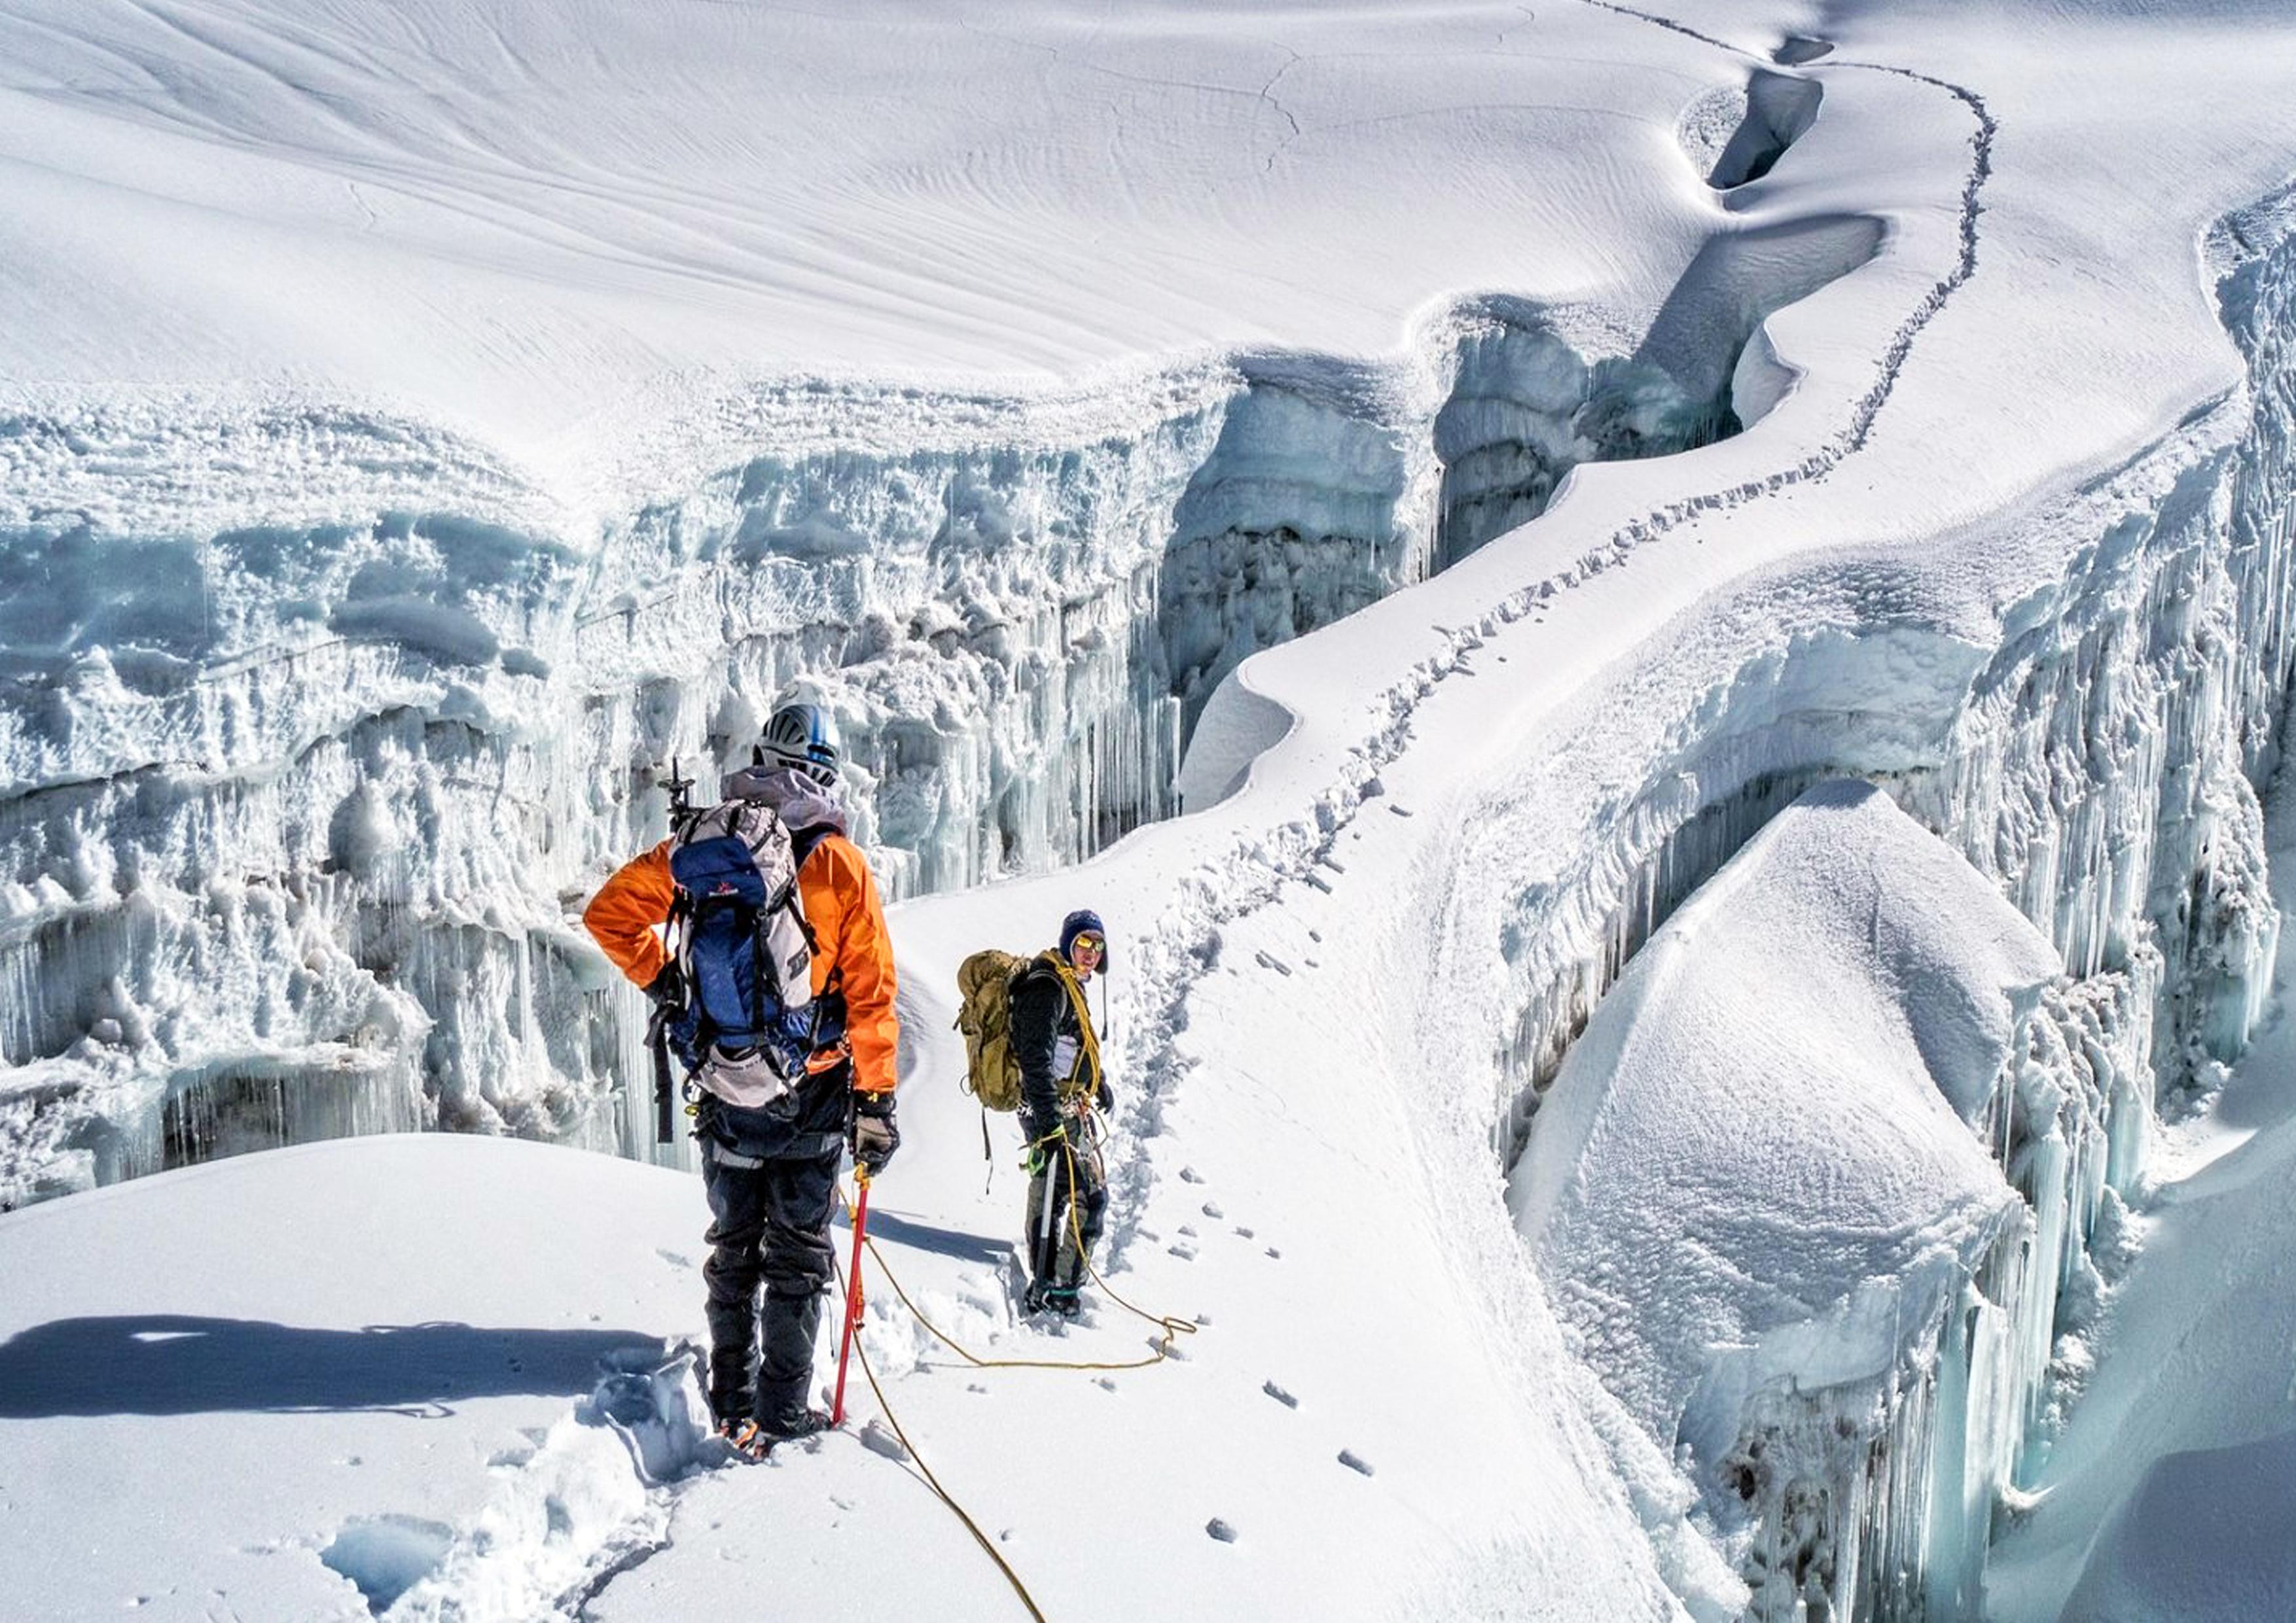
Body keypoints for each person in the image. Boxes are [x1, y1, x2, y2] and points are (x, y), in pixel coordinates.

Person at [583, 701, 900, 1451]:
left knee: (735, 1247)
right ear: (825, 769)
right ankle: (784, 1417)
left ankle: (730, 1401)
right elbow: (871, 993)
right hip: (812, 1089)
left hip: (724, 1085)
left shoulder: (700, 844)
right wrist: (876, 1101)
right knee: (796, 1256)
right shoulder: (836, 861)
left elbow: (608, 916)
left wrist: (668, 984)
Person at [1014, 908, 1113, 1319]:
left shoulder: (1067, 984)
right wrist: (1050, 1120)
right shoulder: (1049, 987)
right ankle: (1062, 1286)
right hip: (1054, 1108)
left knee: (1054, 1191)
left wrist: (1097, 1080)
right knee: (1090, 1196)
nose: (1091, 952)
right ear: (1069, 943)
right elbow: (1035, 1057)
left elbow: (1073, 1045)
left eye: (1097, 945)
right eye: (1084, 943)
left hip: (1062, 1105)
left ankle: (1048, 1279)